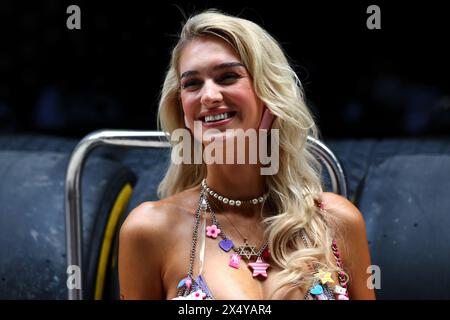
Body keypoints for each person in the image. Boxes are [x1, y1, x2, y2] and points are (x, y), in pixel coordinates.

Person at [118, 9, 375, 300]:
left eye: (228, 77)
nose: (209, 96)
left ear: (269, 94)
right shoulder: (150, 230)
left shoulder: (337, 221)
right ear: (181, 108)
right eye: (192, 83)